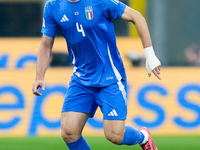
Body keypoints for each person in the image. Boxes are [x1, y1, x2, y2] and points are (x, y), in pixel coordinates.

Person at [32, 0, 161, 149]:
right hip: (81, 78)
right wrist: (39, 77)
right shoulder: (53, 7)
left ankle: (143, 137)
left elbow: (137, 16)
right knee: (69, 131)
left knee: (115, 135)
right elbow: (46, 46)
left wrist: (150, 54)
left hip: (110, 78)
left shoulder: (100, 1)